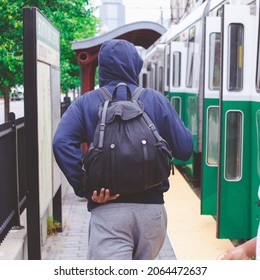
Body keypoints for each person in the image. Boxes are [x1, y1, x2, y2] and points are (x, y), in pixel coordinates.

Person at [52, 39, 193, 260]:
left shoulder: (86, 103)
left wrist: (86, 186)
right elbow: (185, 149)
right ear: (135, 65)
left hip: (108, 213)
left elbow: (61, 142)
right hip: (152, 215)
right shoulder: (156, 100)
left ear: (102, 68)